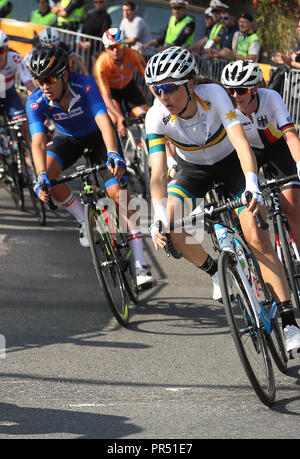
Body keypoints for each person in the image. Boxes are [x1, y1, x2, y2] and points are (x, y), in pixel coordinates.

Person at [144, 46, 300, 354]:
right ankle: (216, 271)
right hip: (193, 172)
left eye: (170, 87)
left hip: (232, 166)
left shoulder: (213, 94)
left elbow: (241, 143)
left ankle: (289, 320)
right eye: (157, 89)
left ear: (190, 84)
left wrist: (253, 184)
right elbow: (158, 173)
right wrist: (159, 215)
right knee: (173, 229)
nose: (163, 95)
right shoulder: (156, 117)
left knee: (256, 237)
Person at [26, 44, 153, 289]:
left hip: (98, 137)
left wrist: (114, 154)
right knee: (50, 179)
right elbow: (38, 140)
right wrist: (41, 176)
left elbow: (104, 121)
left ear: (64, 74)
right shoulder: (36, 100)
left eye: (50, 79)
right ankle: (84, 220)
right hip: (68, 139)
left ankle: (140, 263)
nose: (45, 86)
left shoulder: (83, 84)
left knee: (119, 194)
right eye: (39, 80)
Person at [221, 60, 300, 249]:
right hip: (249, 152)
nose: (235, 96)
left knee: (292, 208)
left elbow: (290, 136)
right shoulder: (229, 107)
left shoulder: (271, 97)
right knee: (245, 204)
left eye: (241, 91)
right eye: (230, 91)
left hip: (277, 149)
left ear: (255, 88)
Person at [94, 28, 148, 138]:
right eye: (111, 47)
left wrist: (159, 97)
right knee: (115, 121)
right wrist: (119, 117)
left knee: (145, 117)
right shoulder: (101, 64)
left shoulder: (134, 55)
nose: (115, 51)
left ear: (124, 45)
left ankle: (142, 143)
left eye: (118, 46)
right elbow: (106, 97)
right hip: (112, 93)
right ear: (105, 48)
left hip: (129, 88)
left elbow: (150, 81)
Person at [0, 31, 34, 148]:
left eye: (0, 51)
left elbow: (29, 85)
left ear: (6, 49)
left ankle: (27, 152)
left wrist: (37, 104)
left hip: (9, 93)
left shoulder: (15, 58)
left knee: (23, 124)